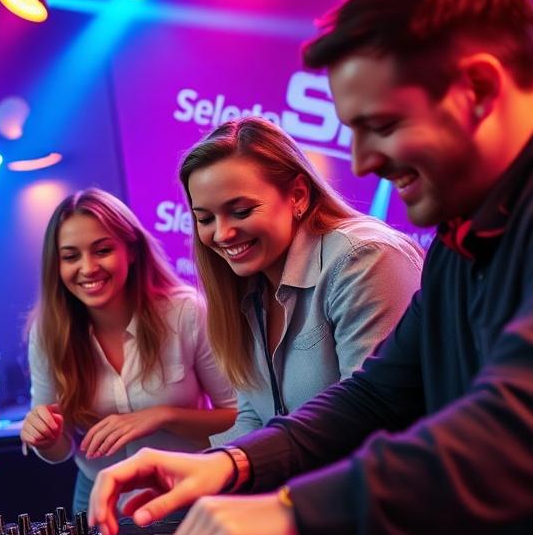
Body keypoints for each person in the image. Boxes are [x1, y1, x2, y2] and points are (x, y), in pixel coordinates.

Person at [88, 0, 533, 535]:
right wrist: (230, 464)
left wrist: (290, 510)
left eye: (382, 125)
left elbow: (513, 429)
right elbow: (378, 393)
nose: (359, 162)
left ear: (479, 89)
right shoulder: (462, 237)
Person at [179, 117, 422, 445]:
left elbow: (372, 418)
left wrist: (236, 471)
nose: (221, 234)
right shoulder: (247, 286)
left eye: (241, 212)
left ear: (298, 195)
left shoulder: (364, 259)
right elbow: (254, 416)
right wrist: (197, 476)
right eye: (205, 219)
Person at [21, 188, 237, 515]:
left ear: (132, 250)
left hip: (186, 490)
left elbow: (238, 417)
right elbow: (59, 449)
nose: (88, 267)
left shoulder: (186, 312)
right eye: (70, 256)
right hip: (97, 497)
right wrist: (45, 438)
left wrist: (163, 416)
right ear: (57, 265)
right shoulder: (47, 332)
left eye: (102, 250)